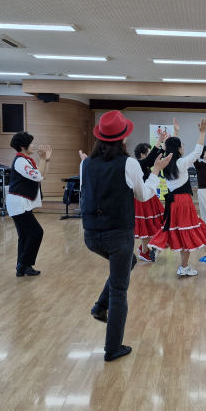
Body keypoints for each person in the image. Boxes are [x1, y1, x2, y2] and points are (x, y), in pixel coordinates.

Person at [80, 110, 170, 362]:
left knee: (128, 263)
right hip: (118, 234)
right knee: (120, 290)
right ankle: (113, 349)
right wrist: (156, 171)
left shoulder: (85, 163)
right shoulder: (128, 163)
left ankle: (99, 306)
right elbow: (142, 195)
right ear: (123, 139)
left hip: (91, 234)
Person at [148, 119, 206, 276]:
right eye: (182, 145)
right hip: (183, 201)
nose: (184, 147)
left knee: (171, 228)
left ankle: (158, 246)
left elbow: (168, 147)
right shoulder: (182, 163)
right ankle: (184, 267)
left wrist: (175, 132)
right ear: (178, 149)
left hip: (171, 202)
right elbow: (198, 152)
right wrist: (202, 133)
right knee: (186, 233)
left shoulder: (165, 162)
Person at [6, 132, 52, 278]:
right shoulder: (20, 161)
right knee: (36, 232)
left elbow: (42, 175)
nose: (33, 145)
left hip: (21, 204)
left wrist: (47, 160)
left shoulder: (27, 160)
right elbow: (38, 176)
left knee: (25, 236)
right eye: (30, 143)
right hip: (18, 204)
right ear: (22, 146)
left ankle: (23, 267)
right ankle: (23, 264)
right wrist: (43, 159)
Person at [132, 131, 170, 262]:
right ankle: (144, 252)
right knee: (146, 224)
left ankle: (144, 248)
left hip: (150, 197)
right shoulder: (139, 164)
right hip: (143, 199)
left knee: (152, 223)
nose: (150, 156)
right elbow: (152, 158)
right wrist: (159, 141)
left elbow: (155, 157)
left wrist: (164, 146)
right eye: (148, 153)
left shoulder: (144, 165)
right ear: (142, 155)